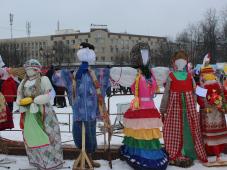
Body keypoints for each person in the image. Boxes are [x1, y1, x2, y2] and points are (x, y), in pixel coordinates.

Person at [111, 42, 168, 170]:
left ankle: (151, 154)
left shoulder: (152, 73)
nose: (145, 57)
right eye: (142, 54)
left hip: (150, 108)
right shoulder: (133, 73)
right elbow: (115, 72)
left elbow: (166, 74)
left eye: (147, 54)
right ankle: (137, 153)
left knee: (149, 132)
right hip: (139, 106)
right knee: (139, 131)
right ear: (137, 57)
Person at [52, 42, 110, 168]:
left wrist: (108, 71)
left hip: (91, 112)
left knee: (91, 135)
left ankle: (90, 157)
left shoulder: (96, 73)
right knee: (78, 135)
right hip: (78, 112)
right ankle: (82, 155)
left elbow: (111, 76)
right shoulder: (73, 74)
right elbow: (55, 78)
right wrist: (64, 71)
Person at [160, 50, 208, 167]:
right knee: (189, 127)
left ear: (174, 63)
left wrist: (163, 109)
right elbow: (195, 91)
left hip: (175, 109)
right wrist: (205, 96)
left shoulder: (172, 76)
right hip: (188, 107)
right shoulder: (189, 76)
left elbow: (166, 94)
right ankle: (188, 150)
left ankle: (180, 150)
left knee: (176, 128)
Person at [16, 59, 64, 170]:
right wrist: (20, 101)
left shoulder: (44, 79)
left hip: (44, 113)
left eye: (31, 69)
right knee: (32, 136)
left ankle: (51, 162)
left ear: (37, 70)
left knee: (48, 135)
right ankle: (37, 161)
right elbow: (19, 95)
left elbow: (51, 93)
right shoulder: (23, 82)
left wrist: (40, 99)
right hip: (29, 113)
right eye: (27, 70)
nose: (28, 72)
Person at [197, 55, 227, 163]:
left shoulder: (201, 83)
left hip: (208, 113)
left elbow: (200, 100)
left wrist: (204, 105)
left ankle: (211, 152)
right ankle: (218, 153)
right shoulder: (217, 82)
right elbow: (223, 94)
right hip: (218, 111)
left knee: (210, 134)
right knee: (219, 133)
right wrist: (222, 105)